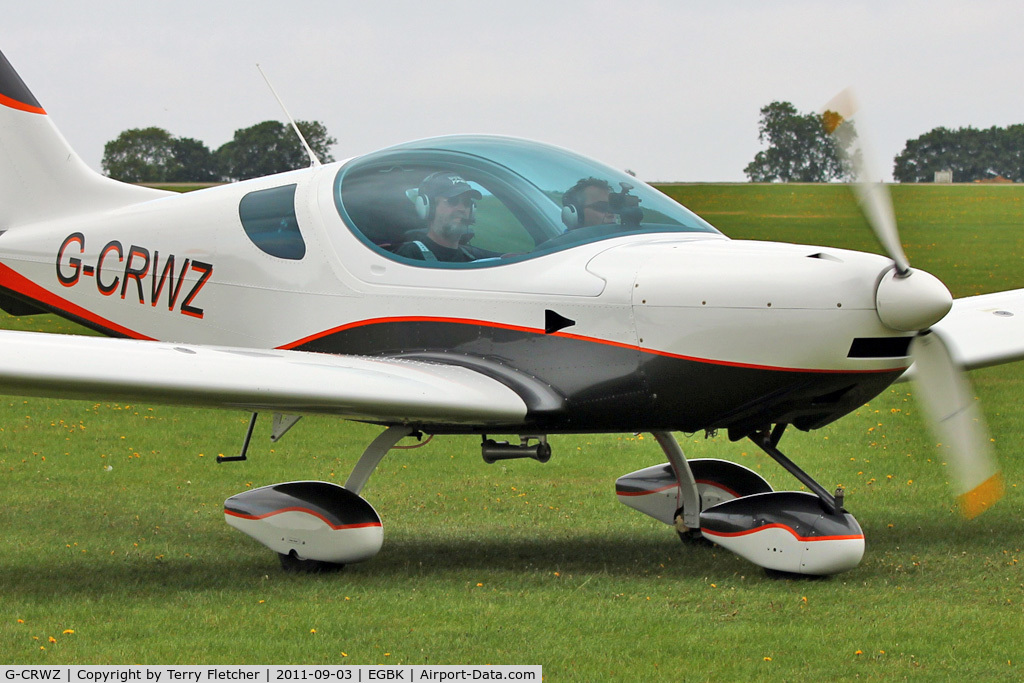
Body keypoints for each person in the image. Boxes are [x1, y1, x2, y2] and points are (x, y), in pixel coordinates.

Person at [395, 172, 483, 262]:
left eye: (466, 202)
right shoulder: (409, 256)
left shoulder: (471, 258)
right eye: (452, 201)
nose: (462, 208)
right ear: (429, 208)